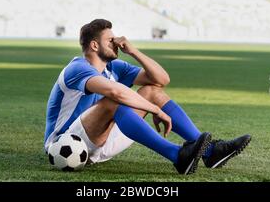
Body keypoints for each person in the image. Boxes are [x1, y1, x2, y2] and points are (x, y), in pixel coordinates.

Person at [44, 19, 251, 175]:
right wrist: (156, 110)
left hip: (99, 142)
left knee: (152, 90)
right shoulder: (77, 68)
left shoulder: (114, 67)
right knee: (115, 99)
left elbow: (161, 79)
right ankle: (177, 156)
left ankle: (210, 152)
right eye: (110, 40)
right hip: (67, 143)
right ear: (94, 46)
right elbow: (115, 92)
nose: (116, 43)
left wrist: (134, 51)